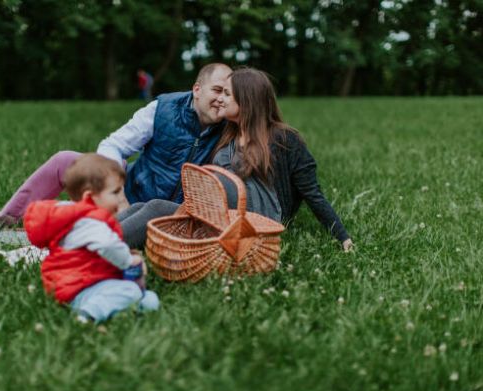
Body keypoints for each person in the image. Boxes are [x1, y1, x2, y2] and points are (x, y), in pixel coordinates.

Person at [114, 67, 354, 252]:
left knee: (170, 202)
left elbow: (312, 192)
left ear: (246, 101)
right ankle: (94, 236)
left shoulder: (283, 138)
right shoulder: (227, 135)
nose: (222, 99)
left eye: (228, 94)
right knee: (152, 206)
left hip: (258, 218)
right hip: (219, 212)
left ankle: (100, 249)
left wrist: (343, 237)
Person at [0, 63, 232, 229]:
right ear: (197, 89)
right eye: (217, 90)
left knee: (81, 222)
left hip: (164, 215)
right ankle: (7, 220)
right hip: (127, 192)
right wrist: (117, 192)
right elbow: (114, 145)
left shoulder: (230, 127)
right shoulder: (163, 109)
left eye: (228, 94)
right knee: (66, 160)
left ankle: (71, 222)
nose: (222, 99)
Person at [24, 153, 159, 323]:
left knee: (149, 299)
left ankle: (116, 312)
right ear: (90, 196)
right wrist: (127, 260)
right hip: (79, 287)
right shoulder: (89, 223)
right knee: (130, 291)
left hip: (93, 280)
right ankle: (87, 314)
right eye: (115, 192)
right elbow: (107, 245)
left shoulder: (88, 218)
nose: (121, 198)